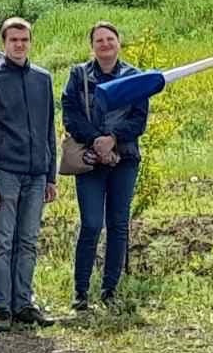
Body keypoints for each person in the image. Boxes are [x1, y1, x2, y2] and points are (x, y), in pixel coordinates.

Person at [0, 17, 57, 331]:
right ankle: (1, 307)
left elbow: (49, 130)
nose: (19, 45)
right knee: (2, 240)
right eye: (13, 40)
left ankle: (23, 302)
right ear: (4, 43)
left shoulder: (42, 79)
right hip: (5, 173)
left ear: (30, 42)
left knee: (28, 240)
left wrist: (51, 175)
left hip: (36, 175)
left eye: (24, 40)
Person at [61, 21, 149, 311]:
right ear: (92, 46)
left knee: (118, 224)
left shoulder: (134, 77)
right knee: (91, 224)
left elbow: (139, 119)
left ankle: (110, 290)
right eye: (99, 40)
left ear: (118, 42)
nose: (105, 44)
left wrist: (113, 139)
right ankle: (81, 292)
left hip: (125, 160)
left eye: (110, 39)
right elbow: (70, 113)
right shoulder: (78, 75)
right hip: (89, 161)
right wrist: (95, 141)